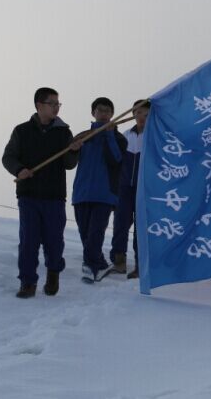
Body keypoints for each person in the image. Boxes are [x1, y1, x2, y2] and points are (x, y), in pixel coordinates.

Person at [2, 87, 81, 298]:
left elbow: (69, 164)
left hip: (54, 195)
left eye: (58, 104)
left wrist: (74, 151)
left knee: (54, 240)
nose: (56, 107)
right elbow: (8, 157)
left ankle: (53, 273)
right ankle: (27, 282)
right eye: (52, 103)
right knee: (29, 240)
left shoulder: (64, 132)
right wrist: (19, 170)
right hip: (28, 194)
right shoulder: (22, 131)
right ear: (39, 105)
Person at [71, 97, 128, 283]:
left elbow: (116, 160)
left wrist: (109, 135)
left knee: (95, 233)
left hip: (105, 194)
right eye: (100, 110)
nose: (104, 114)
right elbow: (69, 163)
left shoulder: (119, 139)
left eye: (108, 111)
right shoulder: (83, 136)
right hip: (81, 193)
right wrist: (73, 149)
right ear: (93, 112)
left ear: (112, 114)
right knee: (85, 235)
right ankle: (101, 264)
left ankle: (90, 269)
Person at [110, 99, 150, 278]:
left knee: (142, 227)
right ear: (133, 114)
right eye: (138, 113)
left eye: (146, 114)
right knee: (120, 223)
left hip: (145, 189)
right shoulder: (125, 136)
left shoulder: (154, 136)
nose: (142, 117)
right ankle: (119, 261)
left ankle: (140, 266)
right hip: (124, 187)